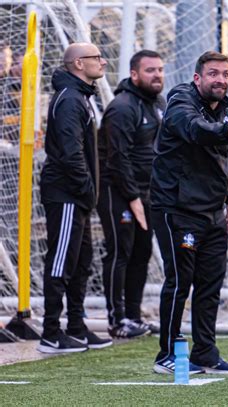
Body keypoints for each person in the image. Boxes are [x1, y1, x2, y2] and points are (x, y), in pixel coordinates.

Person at [150, 50, 228, 375]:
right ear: (198, 78)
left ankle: (205, 354)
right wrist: (227, 131)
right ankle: (166, 354)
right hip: (177, 209)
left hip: (212, 211)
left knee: (211, 284)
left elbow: (227, 158)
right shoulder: (180, 101)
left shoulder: (226, 108)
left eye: (225, 74)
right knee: (180, 281)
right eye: (213, 73)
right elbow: (195, 130)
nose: (220, 80)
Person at [38, 43, 112, 353]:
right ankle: (50, 333)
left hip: (79, 195)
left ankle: (77, 328)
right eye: (96, 57)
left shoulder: (82, 96)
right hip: (67, 193)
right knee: (61, 261)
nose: (102, 61)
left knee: (81, 261)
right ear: (79, 64)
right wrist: (86, 189)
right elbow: (71, 154)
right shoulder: (69, 100)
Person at [97, 50, 166, 339]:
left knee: (142, 252)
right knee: (120, 253)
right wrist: (134, 197)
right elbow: (118, 158)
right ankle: (117, 320)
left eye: (160, 69)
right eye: (150, 70)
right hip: (117, 191)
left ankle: (134, 317)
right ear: (134, 74)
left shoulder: (159, 104)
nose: (157, 75)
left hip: (146, 192)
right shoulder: (122, 107)